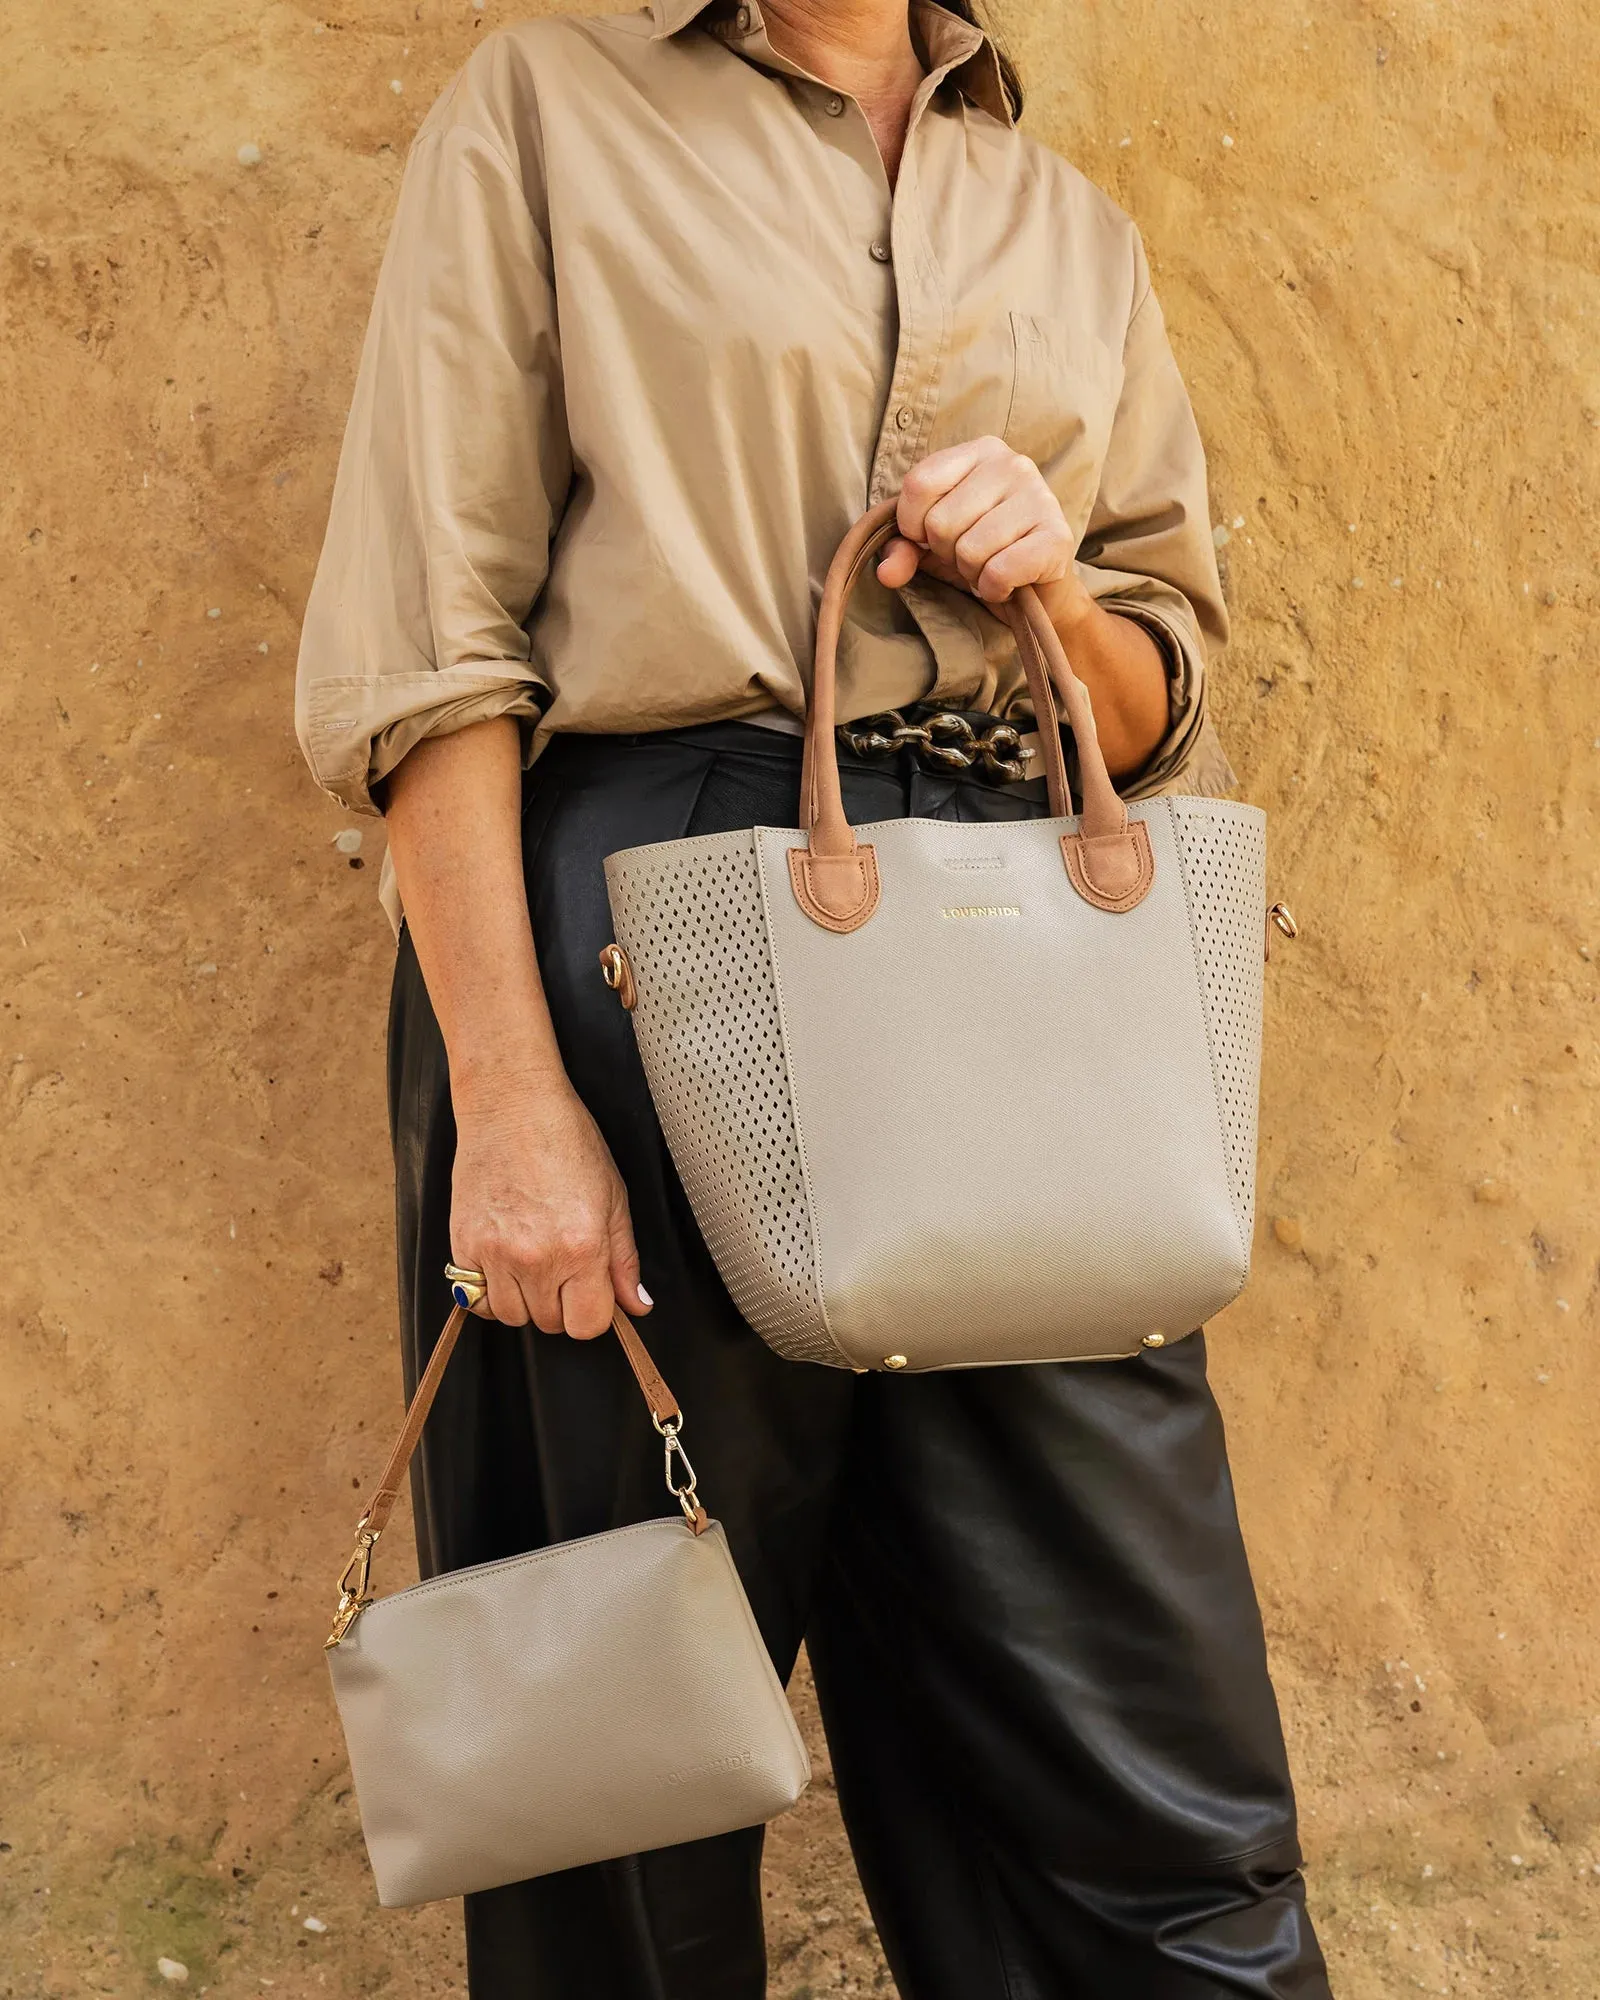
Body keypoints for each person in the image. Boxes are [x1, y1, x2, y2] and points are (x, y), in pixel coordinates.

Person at [295, 1, 1332, 1993]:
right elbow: (431, 641)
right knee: (616, 1778)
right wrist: (508, 1104)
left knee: (1149, 1782)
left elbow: (1153, 686)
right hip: (630, 946)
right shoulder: (543, 109)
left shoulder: (1057, 220)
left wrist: (1056, 590)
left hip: (1012, 953)